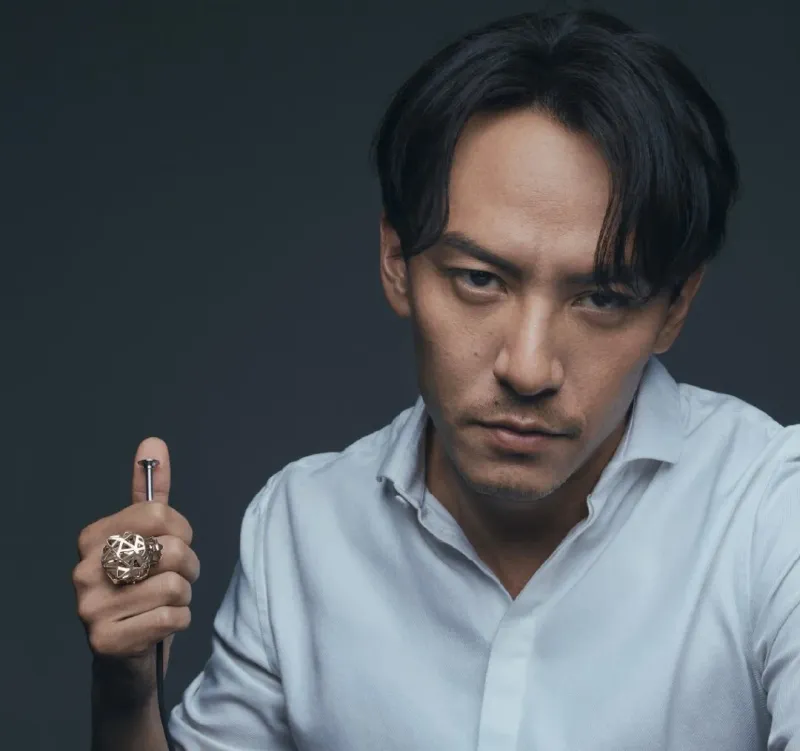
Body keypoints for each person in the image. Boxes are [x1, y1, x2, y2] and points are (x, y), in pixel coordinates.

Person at [73, 8, 800, 751]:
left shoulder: (772, 512)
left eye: (603, 298)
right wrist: (127, 693)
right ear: (397, 262)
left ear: (675, 307)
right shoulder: (303, 528)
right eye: (480, 278)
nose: (527, 368)